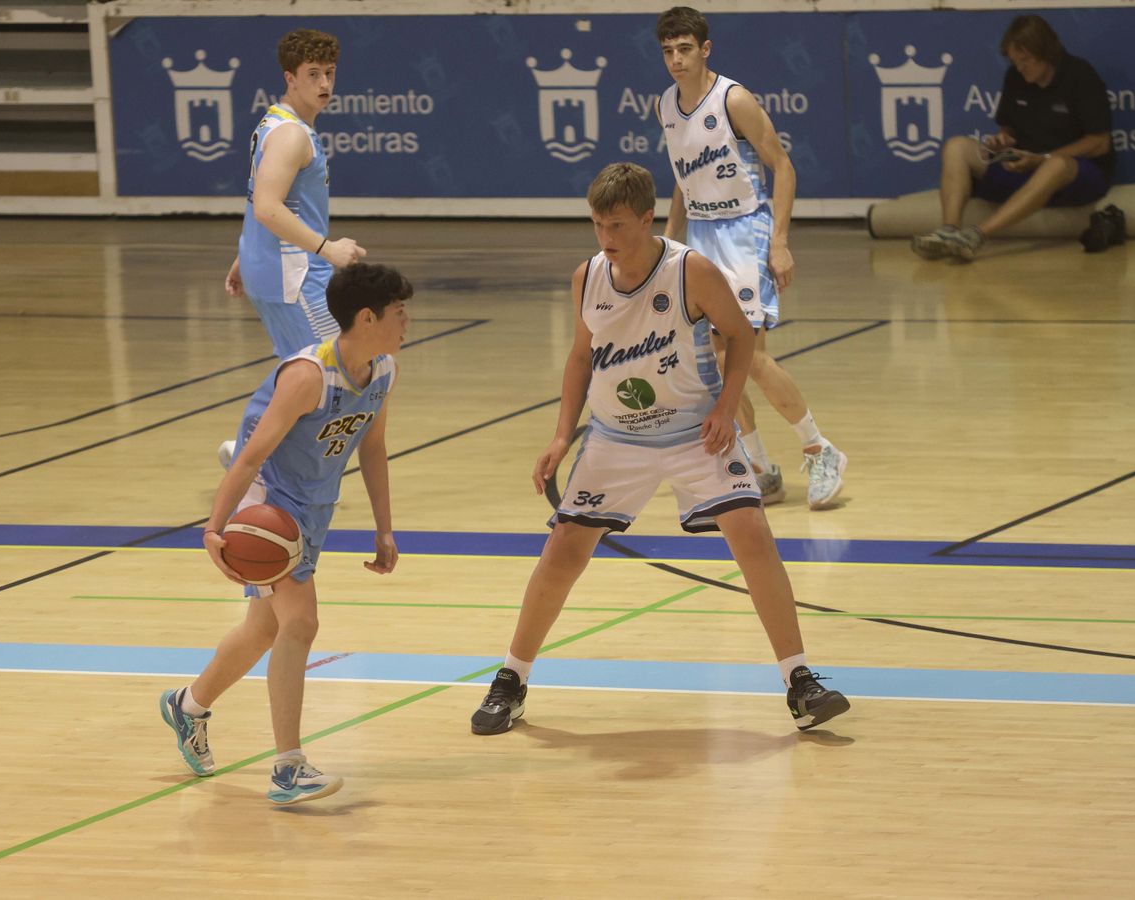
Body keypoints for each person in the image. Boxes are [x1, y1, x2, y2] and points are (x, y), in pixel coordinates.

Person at [469, 163, 850, 737]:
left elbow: (742, 337)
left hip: (693, 432)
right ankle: (511, 679)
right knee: (564, 551)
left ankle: (801, 682)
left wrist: (726, 409)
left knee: (752, 535)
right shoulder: (588, 277)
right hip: (615, 438)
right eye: (598, 225)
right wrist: (558, 435)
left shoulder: (690, 271)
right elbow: (579, 357)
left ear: (648, 219)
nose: (606, 238)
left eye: (618, 225)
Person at [160, 262, 408, 805]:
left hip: (315, 505)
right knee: (301, 623)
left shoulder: (383, 369)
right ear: (367, 317)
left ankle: (188, 706)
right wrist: (213, 528)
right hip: (270, 504)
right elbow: (249, 456)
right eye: (398, 312)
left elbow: (372, 447)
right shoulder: (308, 376)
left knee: (263, 631)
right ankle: (288, 767)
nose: (406, 321)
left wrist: (384, 528)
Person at [653, 6, 847, 510]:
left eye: (685, 49)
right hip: (701, 234)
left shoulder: (733, 98)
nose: (676, 59)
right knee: (713, 366)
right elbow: (682, 179)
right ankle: (760, 468)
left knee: (750, 356)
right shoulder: (666, 106)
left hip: (745, 229)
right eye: (668, 51)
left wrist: (779, 241)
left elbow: (782, 165)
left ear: (705, 49)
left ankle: (820, 448)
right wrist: (669, 246)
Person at [218, 28, 368, 467]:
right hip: (296, 275)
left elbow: (261, 200)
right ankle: (255, 456)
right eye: (313, 74)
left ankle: (255, 455)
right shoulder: (292, 136)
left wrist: (243, 256)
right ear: (290, 77)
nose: (324, 84)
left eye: (330, 73)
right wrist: (328, 248)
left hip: (273, 267)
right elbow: (266, 206)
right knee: (336, 367)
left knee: (303, 369)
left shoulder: (276, 124)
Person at [912, 15, 1115, 261]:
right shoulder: (1015, 78)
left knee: (1055, 165)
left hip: (1075, 174)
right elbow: (1009, 129)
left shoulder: (1080, 75)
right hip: (1024, 166)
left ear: (1047, 52)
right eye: (1015, 61)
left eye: (1026, 60)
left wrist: (1042, 159)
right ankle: (948, 232)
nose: (1020, 67)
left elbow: (1100, 142)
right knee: (956, 146)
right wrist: (1003, 140)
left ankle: (976, 236)